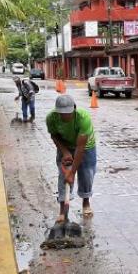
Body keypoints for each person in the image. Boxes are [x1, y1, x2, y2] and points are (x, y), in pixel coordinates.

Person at [47, 94, 98, 223]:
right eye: (62, 113)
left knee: (86, 173)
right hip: (65, 144)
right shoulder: (51, 118)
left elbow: (80, 148)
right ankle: (63, 211)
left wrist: (72, 172)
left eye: (68, 113)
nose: (65, 116)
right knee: (63, 176)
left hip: (86, 146)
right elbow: (54, 136)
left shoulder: (83, 118)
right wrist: (65, 152)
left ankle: (86, 202)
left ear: (74, 108)